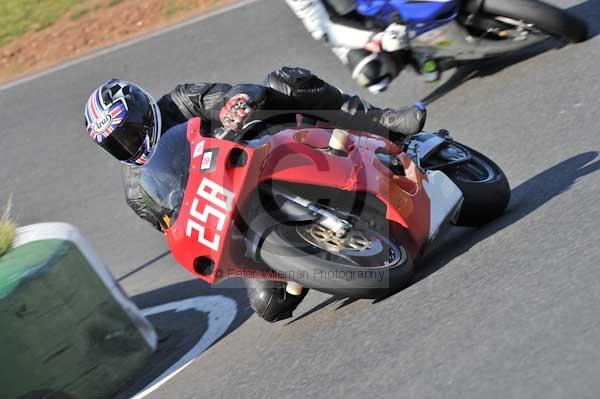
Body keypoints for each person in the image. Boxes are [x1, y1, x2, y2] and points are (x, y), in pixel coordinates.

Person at [84, 66, 426, 322]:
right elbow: (180, 226)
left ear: (143, 110)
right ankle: (307, 259)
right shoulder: (136, 191)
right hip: (239, 216)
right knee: (270, 306)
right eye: (117, 144)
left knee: (286, 80)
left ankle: (384, 122)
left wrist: (237, 103)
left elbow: (233, 93)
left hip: (270, 152)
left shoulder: (182, 99)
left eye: (128, 133)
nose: (128, 145)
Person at [286, 0, 448, 91]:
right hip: (356, 17)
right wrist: (375, 38)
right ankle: (418, 53)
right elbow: (324, 30)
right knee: (373, 73)